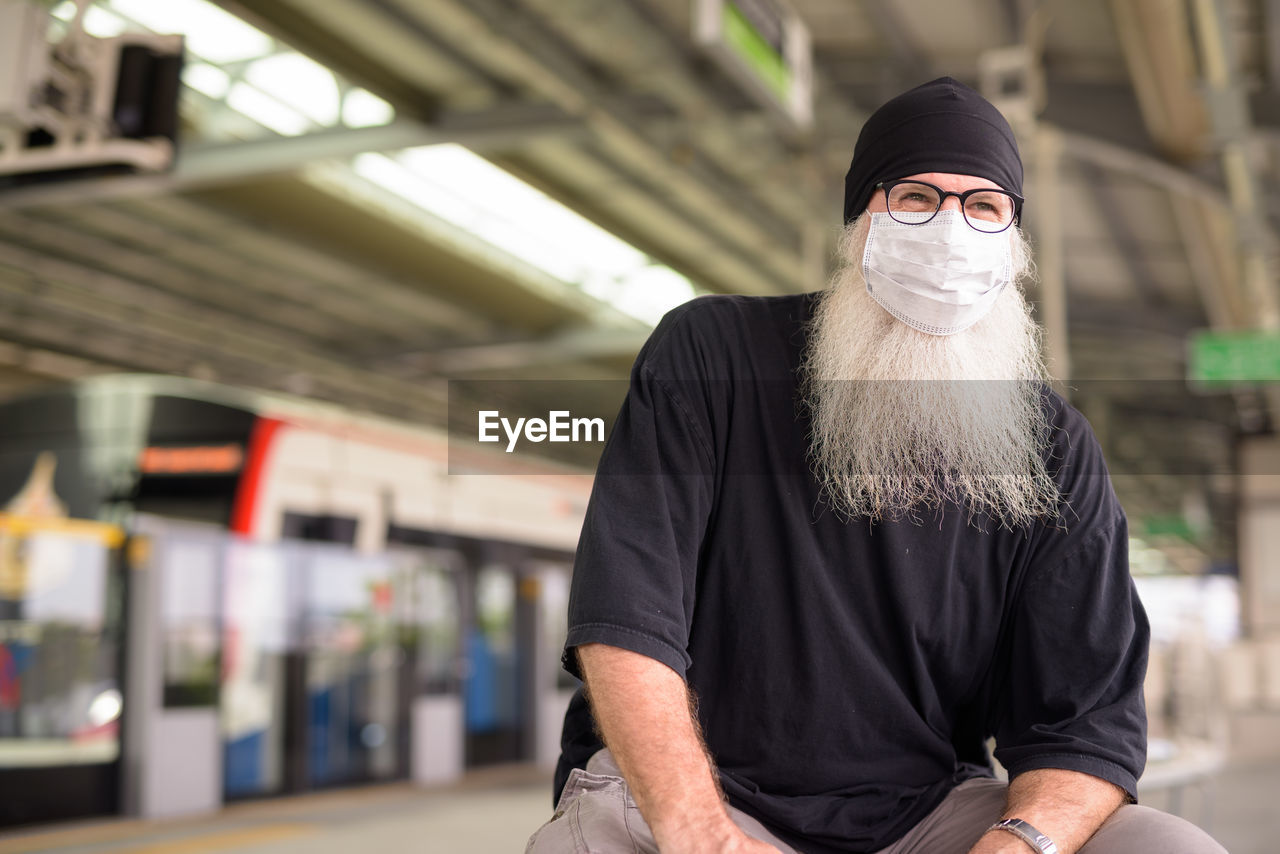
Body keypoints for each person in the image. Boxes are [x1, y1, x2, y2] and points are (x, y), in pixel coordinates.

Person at [525, 77, 1226, 854]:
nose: (951, 230)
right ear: (861, 221)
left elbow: (1087, 719)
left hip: (924, 815)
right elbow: (625, 622)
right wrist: (704, 835)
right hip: (690, 796)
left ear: (1014, 244)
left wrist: (1018, 842)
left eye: (983, 206)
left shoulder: (1052, 447)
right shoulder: (710, 357)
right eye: (918, 198)